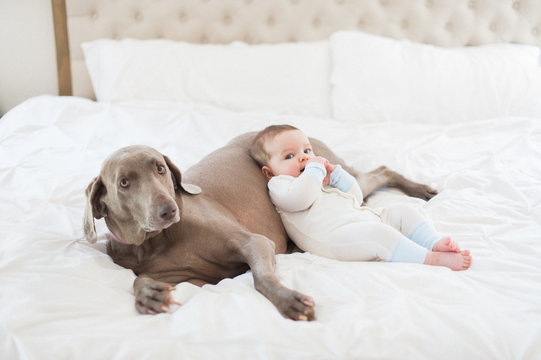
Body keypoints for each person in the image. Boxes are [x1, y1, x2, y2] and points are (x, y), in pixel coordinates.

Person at [249, 124, 472, 270]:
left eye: (307, 151)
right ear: (269, 172)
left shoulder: (314, 177)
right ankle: (431, 259)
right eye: (290, 156)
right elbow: (302, 198)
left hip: (360, 220)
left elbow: (355, 195)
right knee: (379, 235)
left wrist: (337, 176)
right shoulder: (281, 185)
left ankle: (433, 243)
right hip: (334, 240)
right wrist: (315, 171)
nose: (303, 158)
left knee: (402, 211)